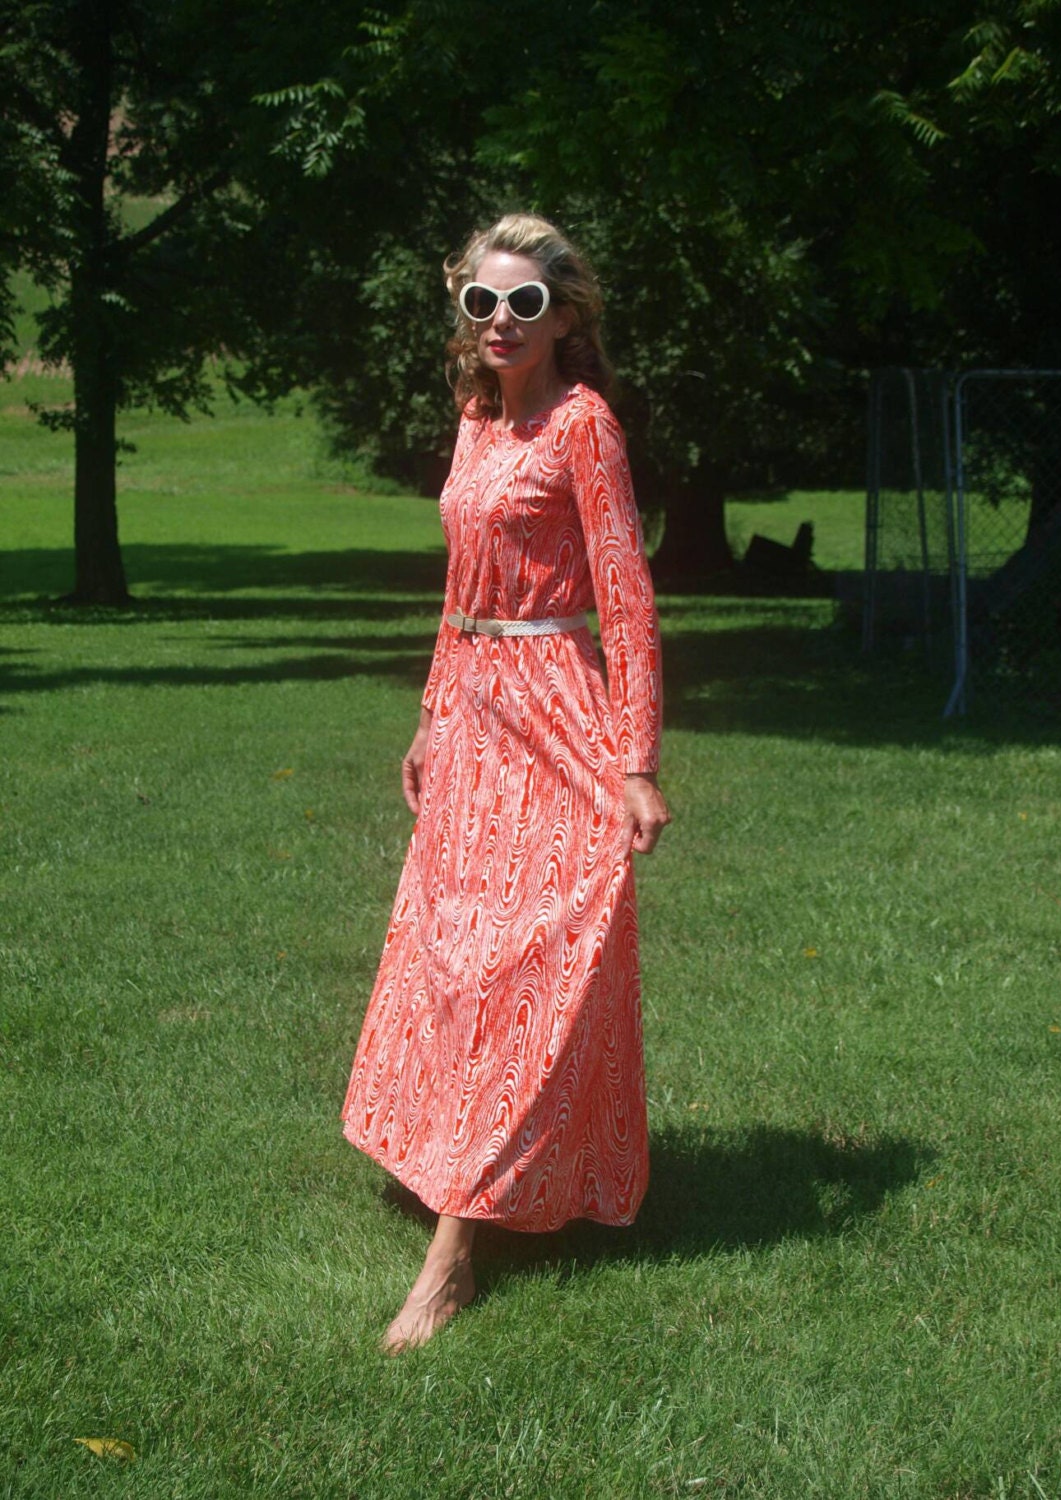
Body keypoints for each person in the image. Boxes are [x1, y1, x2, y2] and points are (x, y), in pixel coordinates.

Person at [340, 213, 670, 1352]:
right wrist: (432, 716)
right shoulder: (477, 425)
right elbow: (457, 590)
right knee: (455, 957)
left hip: (558, 713)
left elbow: (626, 600)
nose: (498, 322)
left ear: (565, 319)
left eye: (524, 304)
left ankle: (453, 1260)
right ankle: (466, 1174)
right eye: (482, 302)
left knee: (532, 959)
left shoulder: (587, 429)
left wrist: (636, 763)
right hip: (473, 717)